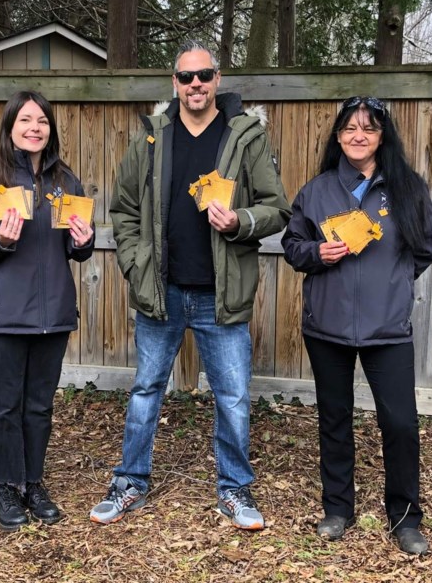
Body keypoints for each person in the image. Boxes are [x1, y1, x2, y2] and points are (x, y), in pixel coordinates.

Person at [89, 40, 291, 530]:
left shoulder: (246, 137)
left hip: (221, 296)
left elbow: (278, 208)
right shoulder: (153, 137)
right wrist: (137, 265)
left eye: (204, 75)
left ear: (217, 80)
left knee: (234, 396)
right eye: (186, 77)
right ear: (173, 83)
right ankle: (130, 480)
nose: (195, 84)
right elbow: (125, 211)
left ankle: (234, 489)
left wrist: (240, 219)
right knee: (146, 389)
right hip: (162, 292)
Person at [280, 96, 432, 555]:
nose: (358, 135)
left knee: (401, 423)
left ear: (382, 136)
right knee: (335, 419)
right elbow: (293, 246)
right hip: (326, 327)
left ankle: (406, 517)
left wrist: (392, 284)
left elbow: (426, 248)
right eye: (349, 128)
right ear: (338, 136)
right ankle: (338, 508)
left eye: (368, 128)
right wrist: (317, 254)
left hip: (387, 331)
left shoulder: (406, 189)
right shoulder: (317, 190)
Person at [0, 90, 95, 532]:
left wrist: (84, 239)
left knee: (39, 405)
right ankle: (6, 484)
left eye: (43, 122)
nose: (35, 128)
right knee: (5, 404)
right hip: (7, 314)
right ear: (11, 127)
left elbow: (77, 251)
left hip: (54, 314)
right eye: (26, 121)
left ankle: (33, 481)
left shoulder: (65, 182)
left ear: (50, 130)